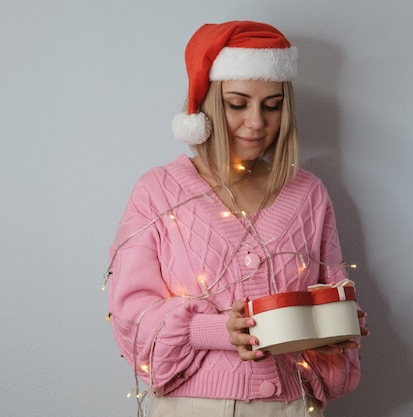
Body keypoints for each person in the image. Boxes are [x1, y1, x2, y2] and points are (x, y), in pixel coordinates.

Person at [105, 20, 368, 417]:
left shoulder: (308, 194)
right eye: (238, 103)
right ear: (209, 103)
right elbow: (130, 313)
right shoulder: (158, 191)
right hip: (190, 407)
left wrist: (336, 328)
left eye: (272, 105)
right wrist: (212, 330)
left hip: (291, 406)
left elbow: (325, 293)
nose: (257, 122)